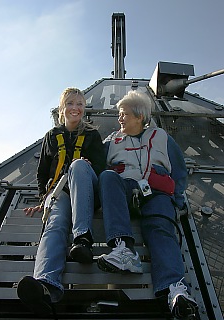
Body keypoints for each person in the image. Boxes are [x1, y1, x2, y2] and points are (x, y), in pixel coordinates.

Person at [97, 90, 198, 319]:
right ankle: (123, 249)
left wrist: (178, 200)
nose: (119, 118)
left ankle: (175, 290)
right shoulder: (112, 140)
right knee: (107, 176)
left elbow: (179, 170)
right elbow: (95, 163)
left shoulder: (161, 136)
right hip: (125, 188)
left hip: (157, 192)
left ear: (139, 116)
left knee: (161, 229)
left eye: (123, 113)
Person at [17, 87, 106, 317]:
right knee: (55, 224)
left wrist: (84, 167)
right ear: (62, 108)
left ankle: (82, 239)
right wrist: (43, 198)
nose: (75, 108)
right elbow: (42, 173)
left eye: (79, 104)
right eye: (70, 103)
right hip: (60, 194)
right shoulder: (51, 136)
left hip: (86, 192)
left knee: (78, 165)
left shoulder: (93, 136)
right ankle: (46, 286)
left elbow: (101, 169)